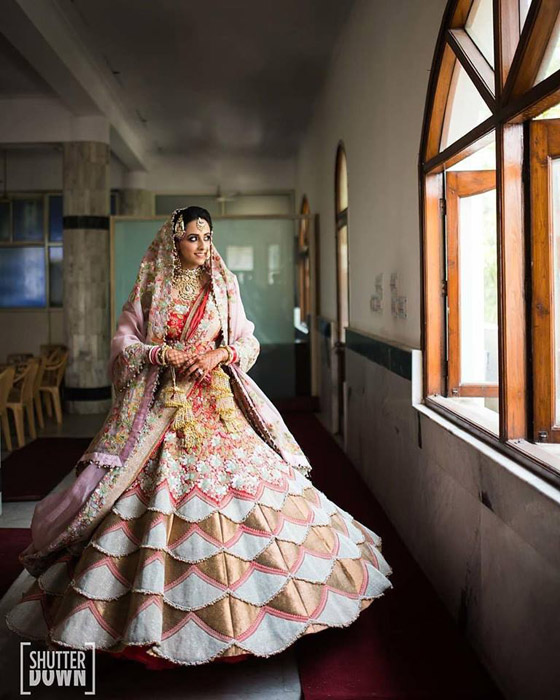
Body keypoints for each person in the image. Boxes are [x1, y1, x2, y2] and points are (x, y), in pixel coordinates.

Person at [5, 206, 393, 669]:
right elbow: (123, 344)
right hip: (161, 407)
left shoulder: (223, 285)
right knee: (141, 497)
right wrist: (160, 352)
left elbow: (248, 341)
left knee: (247, 494)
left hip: (217, 405)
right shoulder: (153, 286)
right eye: (192, 237)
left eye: (207, 237)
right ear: (174, 242)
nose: (202, 245)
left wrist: (217, 356)